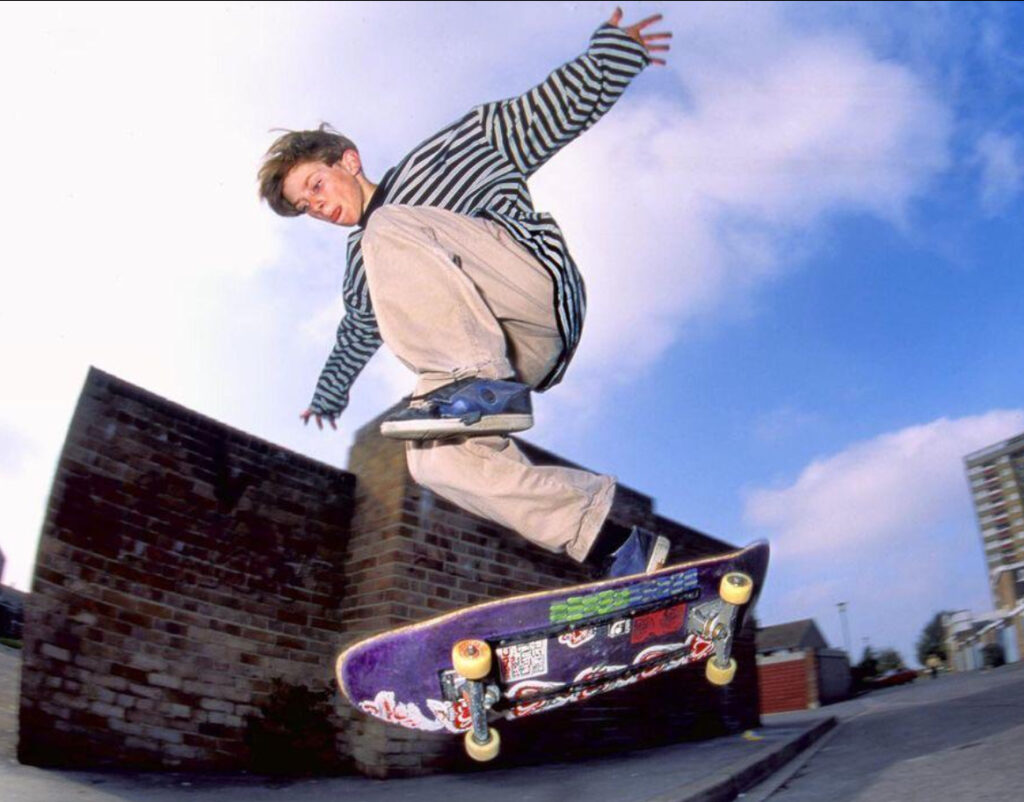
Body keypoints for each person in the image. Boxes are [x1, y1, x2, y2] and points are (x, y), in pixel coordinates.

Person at [259, 8, 672, 579]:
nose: (320, 207)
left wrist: (613, 53)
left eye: (317, 185)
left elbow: (545, 111)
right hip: (513, 363)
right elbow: (357, 331)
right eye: (307, 207)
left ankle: (469, 381)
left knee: (387, 227)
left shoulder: (453, 151)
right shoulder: (364, 262)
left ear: (348, 161)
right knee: (432, 459)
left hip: (529, 291)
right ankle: (612, 541)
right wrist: (329, 395)